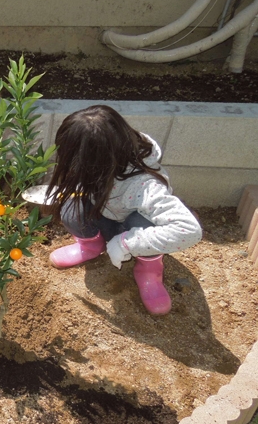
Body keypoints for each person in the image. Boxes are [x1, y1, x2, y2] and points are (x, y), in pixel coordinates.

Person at [46, 105, 202, 315]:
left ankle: (149, 269)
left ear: (96, 161)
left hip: (133, 227)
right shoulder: (109, 153)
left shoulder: (145, 185)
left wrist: (126, 243)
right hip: (107, 213)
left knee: (147, 222)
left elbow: (189, 230)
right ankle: (91, 246)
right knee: (70, 208)